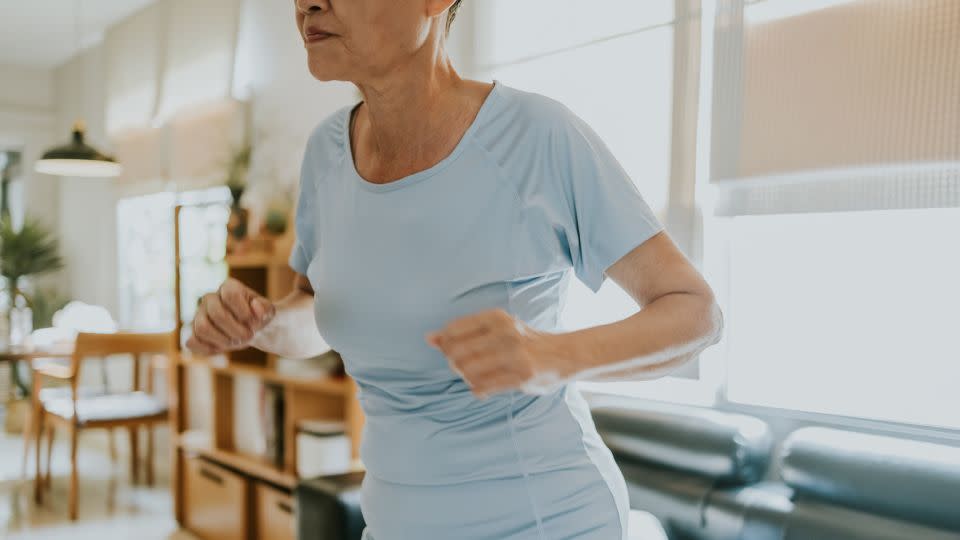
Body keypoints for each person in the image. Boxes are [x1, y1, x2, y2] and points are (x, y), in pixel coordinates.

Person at [188, 1, 723, 538]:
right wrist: (260, 322)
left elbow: (695, 313)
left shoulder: (536, 135)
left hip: (545, 520)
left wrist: (553, 355)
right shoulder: (325, 154)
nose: (308, 3)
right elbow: (315, 311)